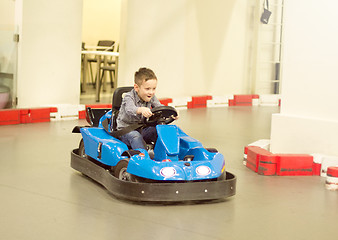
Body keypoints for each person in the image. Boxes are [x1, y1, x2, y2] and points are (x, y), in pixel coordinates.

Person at [116, 67, 177, 150]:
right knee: (135, 136)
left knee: (160, 130)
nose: (151, 92)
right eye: (147, 89)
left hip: (142, 129)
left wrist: (171, 113)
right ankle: (143, 158)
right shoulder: (128, 97)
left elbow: (159, 107)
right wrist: (141, 110)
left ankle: (164, 155)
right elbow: (130, 109)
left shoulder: (151, 96)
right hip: (126, 130)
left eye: (154, 88)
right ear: (137, 88)